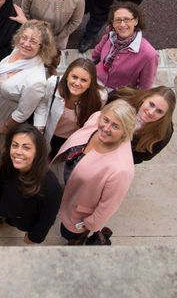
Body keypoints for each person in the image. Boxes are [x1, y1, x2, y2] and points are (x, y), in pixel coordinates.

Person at [52, 100, 136, 245]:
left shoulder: (121, 170)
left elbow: (107, 206)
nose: (106, 128)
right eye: (106, 119)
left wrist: (89, 224)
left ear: (125, 132)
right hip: (71, 184)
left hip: (76, 212)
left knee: (67, 234)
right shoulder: (96, 117)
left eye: (115, 126)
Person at [0, 20, 57, 141]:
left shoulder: (36, 81)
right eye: (24, 37)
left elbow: (23, 112)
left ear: (42, 47)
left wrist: (6, 126)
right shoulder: (17, 50)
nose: (25, 43)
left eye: (33, 41)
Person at [0, 124, 62, 244]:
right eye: (15, 145)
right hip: (7, 207)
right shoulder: (8, 163)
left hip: (25, 218)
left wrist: (33, 237)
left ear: (37, 151)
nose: (18, 152)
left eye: (26, 148)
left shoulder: (51, 187)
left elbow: (47, 219)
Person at [34, 58, 106, 159]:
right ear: (67, 76)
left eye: (84, 80)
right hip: (49, 133)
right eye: (74, 77)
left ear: (90, 84)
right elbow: (43, 104)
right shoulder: (53, 84)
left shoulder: (100, 97)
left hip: (73, 140)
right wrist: (39, 128)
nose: (77, 83)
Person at [92, 1, 158, 91]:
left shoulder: (149, 54)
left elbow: (145, 87)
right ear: (113, 23)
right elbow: (97, 51)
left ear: (135, 21)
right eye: (118, 20)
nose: (122, 24)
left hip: (116, 93)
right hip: (95, 78)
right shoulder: (110, 34)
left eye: (126, 19)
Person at [109, 86, 176, 163]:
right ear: (145, 98)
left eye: (159, 111)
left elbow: (143, 156)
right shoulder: (123, 97)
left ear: (165, 116)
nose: (151, 112)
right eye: (151, 104)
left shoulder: (163, 134)